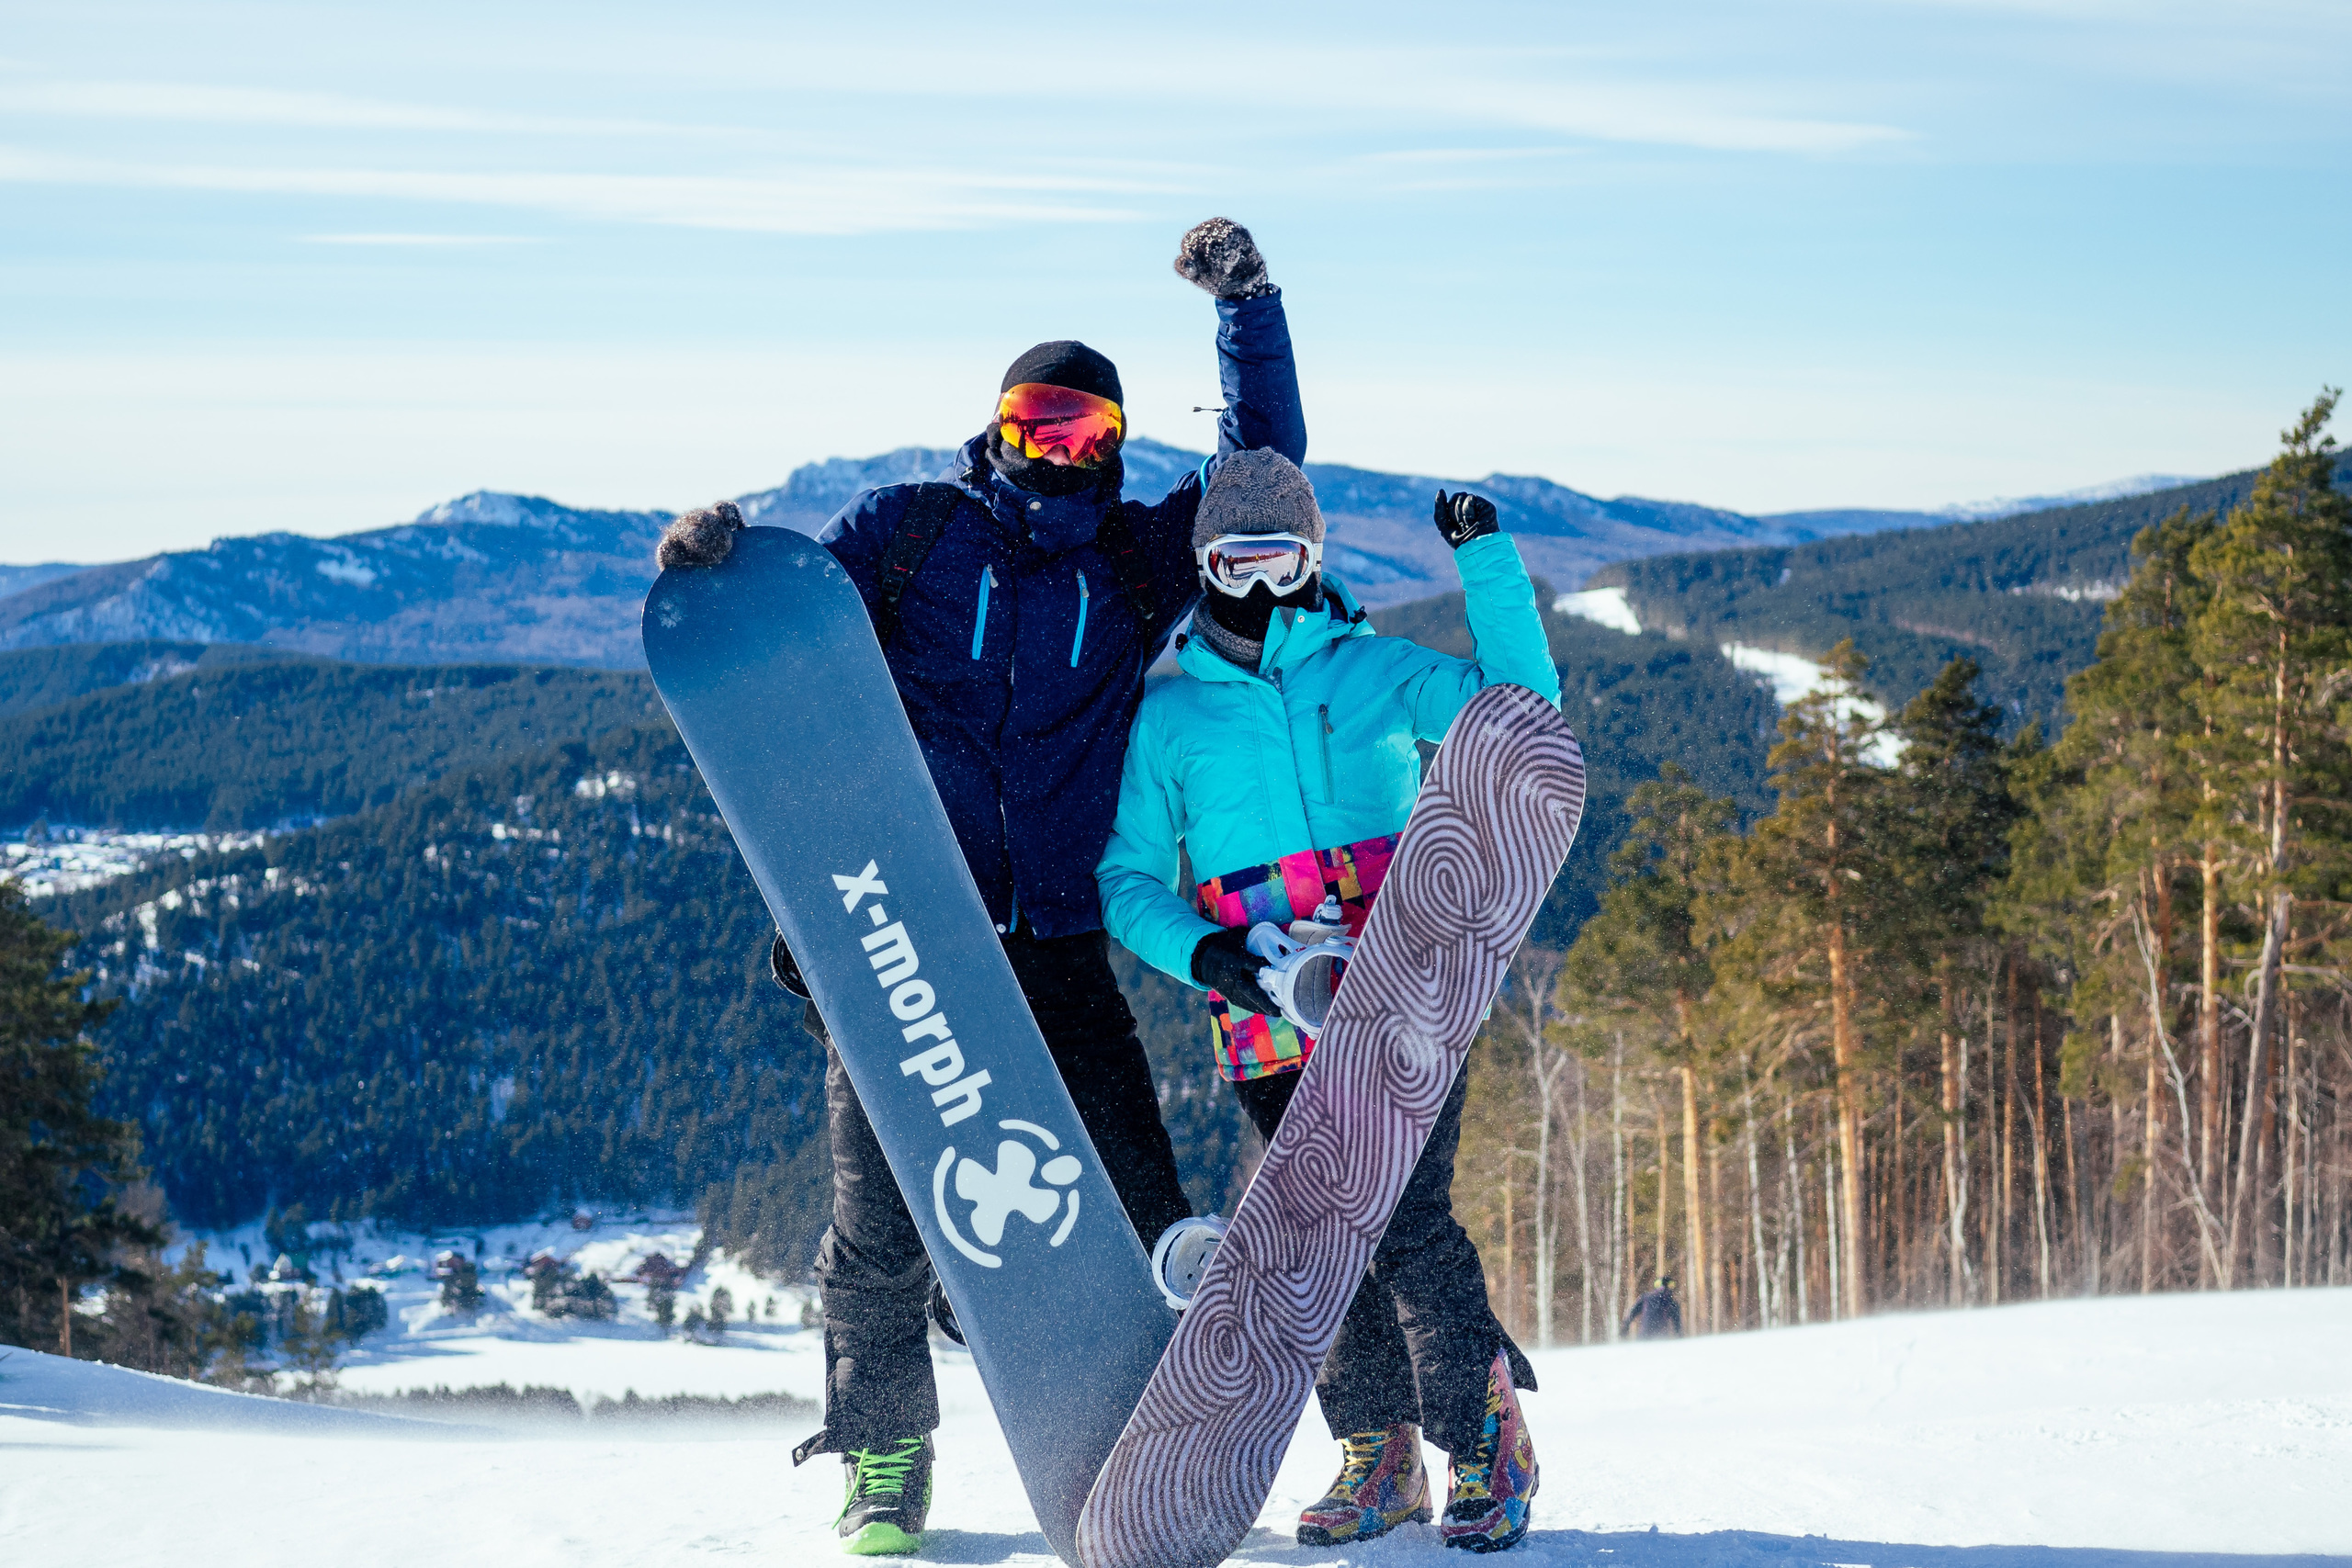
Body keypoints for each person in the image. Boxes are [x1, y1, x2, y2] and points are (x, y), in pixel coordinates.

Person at [655, 218, 1305, 1557]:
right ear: (995, 424)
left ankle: (1141, 1430)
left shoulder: (1133, 565)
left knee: (1134, 1189)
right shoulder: (910, 535)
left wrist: (1249, 307)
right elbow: (793, 647)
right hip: (903, 928)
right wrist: (717, 562)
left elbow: (1260, 466)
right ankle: (885, 1454)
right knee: (879, 1212)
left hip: (1057, 938)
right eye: (1035, 420)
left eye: (1083, 430)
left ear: (1117, 446)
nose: (1056, 448)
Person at [1093, 452, 1560, 1554]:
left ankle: (1483, 1443)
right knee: (1316, 1230)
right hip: (1267, 1017)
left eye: (1280, 562)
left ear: (1314, 561)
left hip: (1404, 991)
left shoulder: (1375, 670)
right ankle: (1375, 1450)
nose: (1257, 590)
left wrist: (1486, 563)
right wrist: (1206, 956)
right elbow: (1124, 880)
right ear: (1204, 566)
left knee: (1402, 1217)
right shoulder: (1168, 722)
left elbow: (1523, 716)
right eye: (1233, 565)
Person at [1622, 1275, 1684, 1339]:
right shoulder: (1672, 1302)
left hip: (1644, 1335)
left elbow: (1632, 1314)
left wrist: (1625, 1328)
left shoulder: (1646, 1297)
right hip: (1661, 1337)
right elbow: (1677, 1325)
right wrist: (1679, 1337)